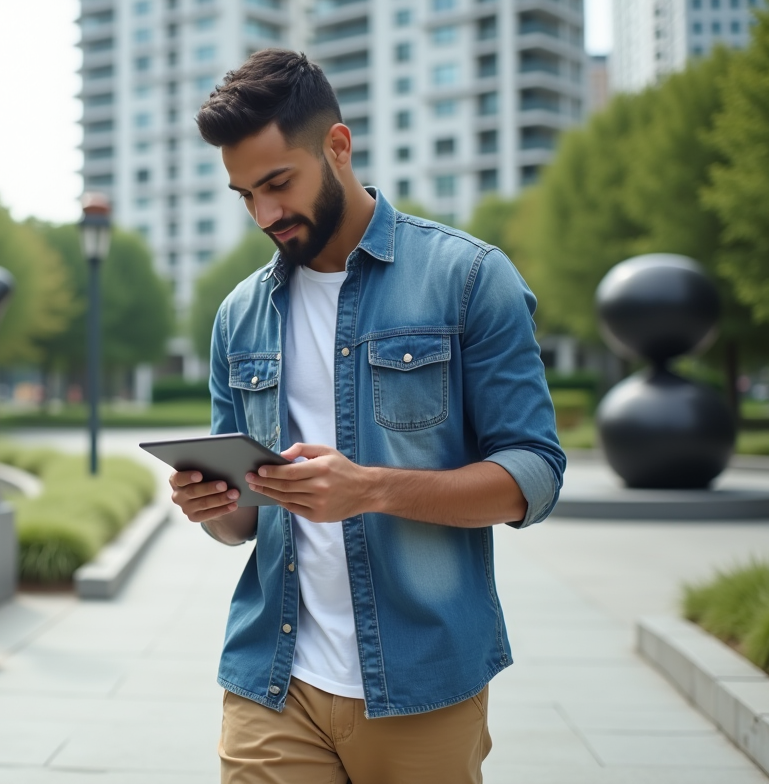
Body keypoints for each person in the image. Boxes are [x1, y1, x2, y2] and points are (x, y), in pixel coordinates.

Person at [168, 49, 566, 784]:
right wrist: (212, 506)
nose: (265, 215)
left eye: (278, 183)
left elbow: (534, 475)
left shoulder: (469, 278)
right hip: (272, 678)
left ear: (338, 147)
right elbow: (240, 524)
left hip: (421, 683)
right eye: (244, 194)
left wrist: (372, 489)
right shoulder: (238, 316)